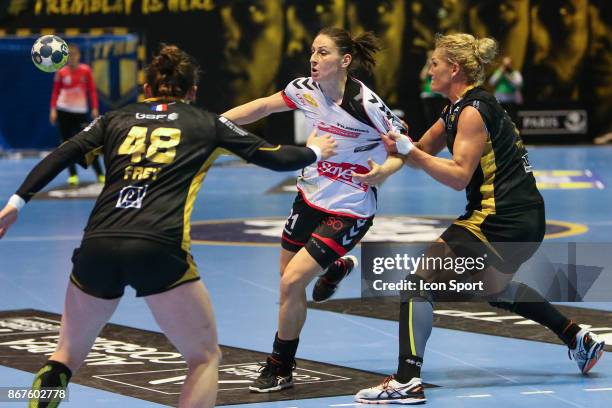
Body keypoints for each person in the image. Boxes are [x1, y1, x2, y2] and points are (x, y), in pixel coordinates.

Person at [0, 44, 336, 408]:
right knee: (204, 357)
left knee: (65, 356)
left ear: (146, 89)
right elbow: (274, 158)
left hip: (99, 244)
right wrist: (315, 151)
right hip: (157, 246)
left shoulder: (114, 119)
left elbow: (61, 153)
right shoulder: (206, 123)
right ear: (192, 92)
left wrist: (14, 203)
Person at [350, 33, 605, 404]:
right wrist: (386, 160)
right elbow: (419, 148)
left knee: (417, 284)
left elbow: (456, 176)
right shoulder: (455, 109)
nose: (429, 70)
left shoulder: (471, 112)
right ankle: (576, 337)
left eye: (434, 64)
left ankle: (407, 380)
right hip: (523, 217)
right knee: (493, 288)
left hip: (499, 218)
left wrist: (409, 153)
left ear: (453, 69)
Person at [222, 27, 408, 393]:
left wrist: (382, 173)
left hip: (350, 206)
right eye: (312, 51)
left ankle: (280, 367)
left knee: (292, 282)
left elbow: (403, 148)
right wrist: (214, 127)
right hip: (310, 195)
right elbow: (261, 106)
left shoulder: (366, 104)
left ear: (345, 60)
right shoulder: (304, 89)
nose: (314, 59)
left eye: (323, 52)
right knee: (287, 279)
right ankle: (336, 265)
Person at [49, 43, 105, 186]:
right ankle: (73, 175)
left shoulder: (86, 71)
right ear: (67, 58)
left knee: (89, 143)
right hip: (63, 111)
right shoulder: (61, 72)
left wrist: (94, 108)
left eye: (75, 55)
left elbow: (92, 90)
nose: (72, 58)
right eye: (70, 56)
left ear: (79, 56)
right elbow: (56, 92)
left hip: (80, 112)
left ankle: (100, 174)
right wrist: (53, 109)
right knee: (66, 145)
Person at [488, 56, 523, 123]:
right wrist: (500, 72)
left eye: (508, 64)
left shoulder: (515, 73)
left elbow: (519, 84)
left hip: (510, 102)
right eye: (504, 64)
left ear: (512, 64)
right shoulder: (499, 72)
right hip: (498, 100)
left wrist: (509, 77)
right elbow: (491, 82)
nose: (506, 66)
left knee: (509, 120)